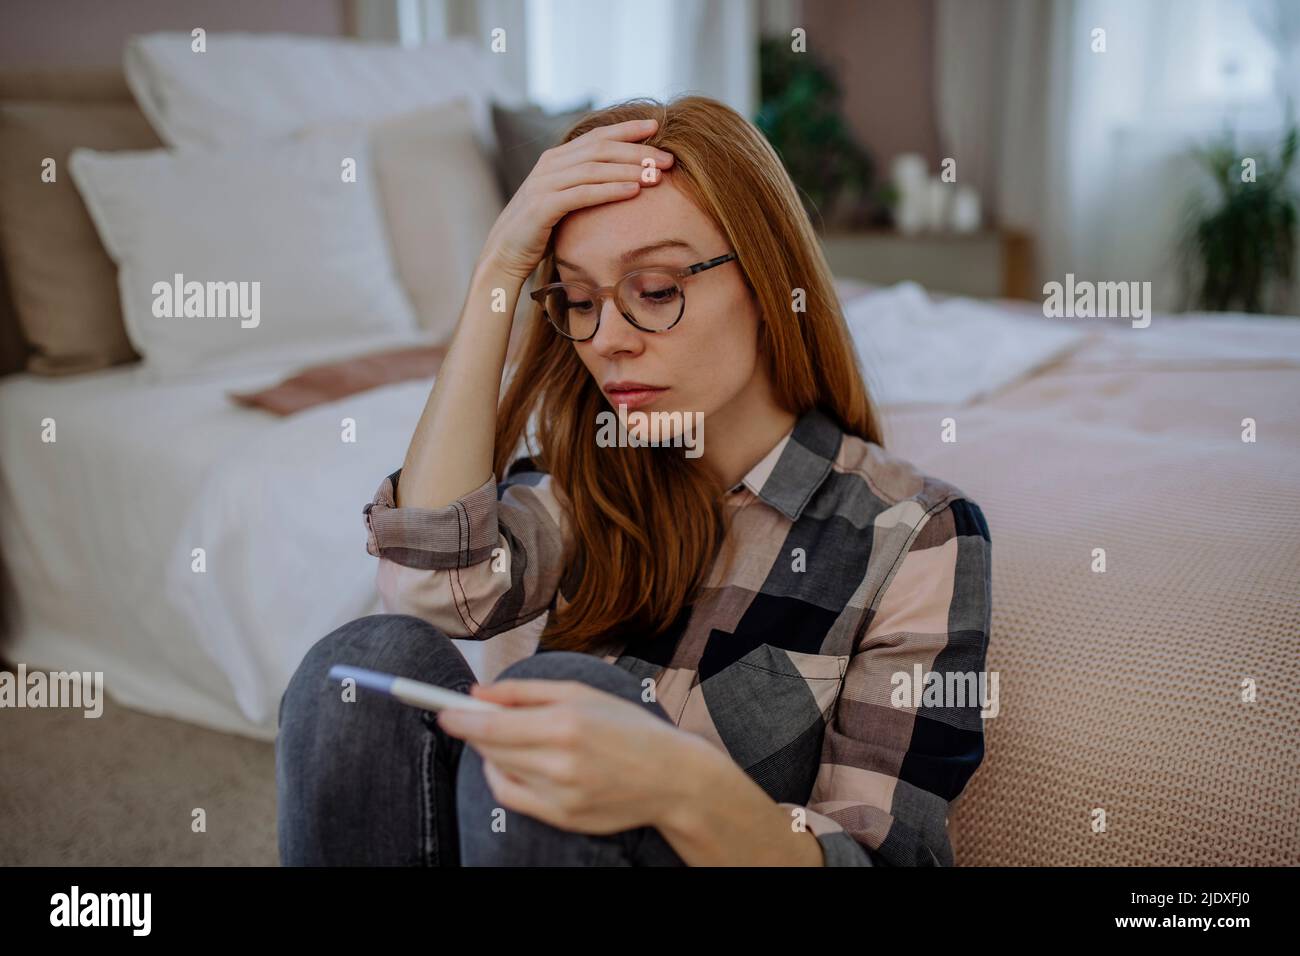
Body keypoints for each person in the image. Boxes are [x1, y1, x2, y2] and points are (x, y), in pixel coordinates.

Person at [276, 94, 993, 866]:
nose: (608, 340)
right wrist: (499, 270)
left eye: (654, 291)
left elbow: (885, 859)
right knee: (355, 668)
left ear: (767, 281)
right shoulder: (586, 481)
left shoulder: (916, 535)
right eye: (578, 301)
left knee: (567, 690)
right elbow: (429, 591)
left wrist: (681, 786)